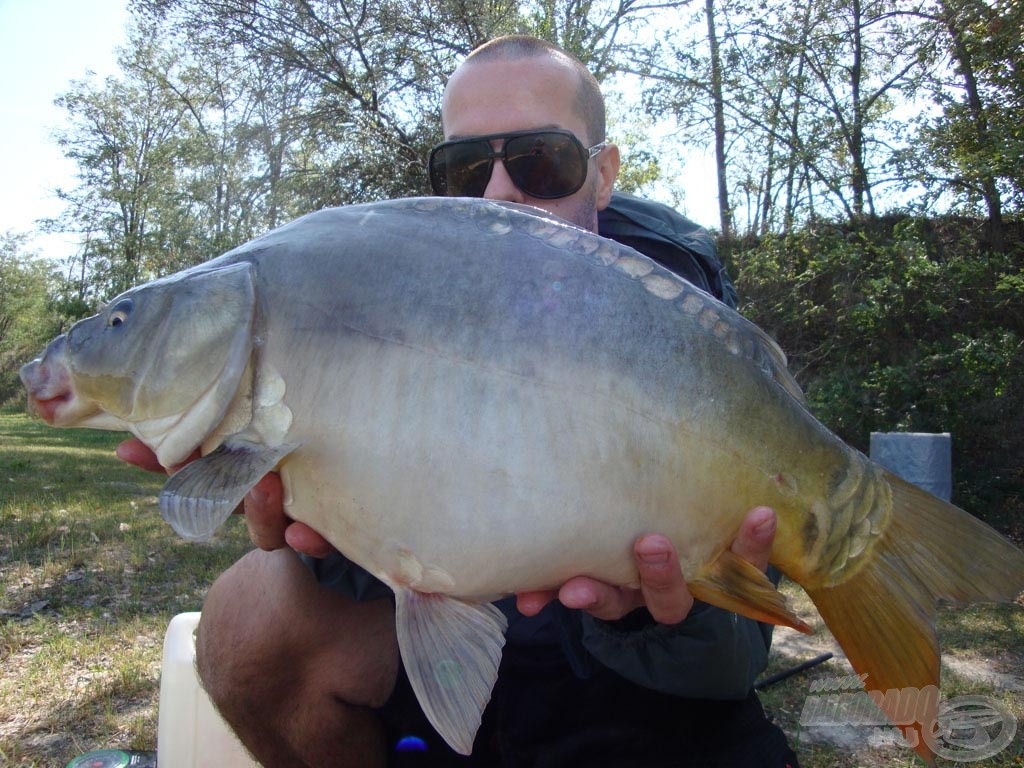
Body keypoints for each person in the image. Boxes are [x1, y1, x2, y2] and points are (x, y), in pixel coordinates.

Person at [119, 35, 798, 768]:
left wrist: (658, 617)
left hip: (643, 694)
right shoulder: (386, 295)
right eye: (468, 168)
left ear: (602, 175)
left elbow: (727, 666)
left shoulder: (685, 326)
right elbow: (375, 529)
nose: (501, 193)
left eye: (542, 161)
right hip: (461, 665)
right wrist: (318, 521)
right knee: (249, 606)